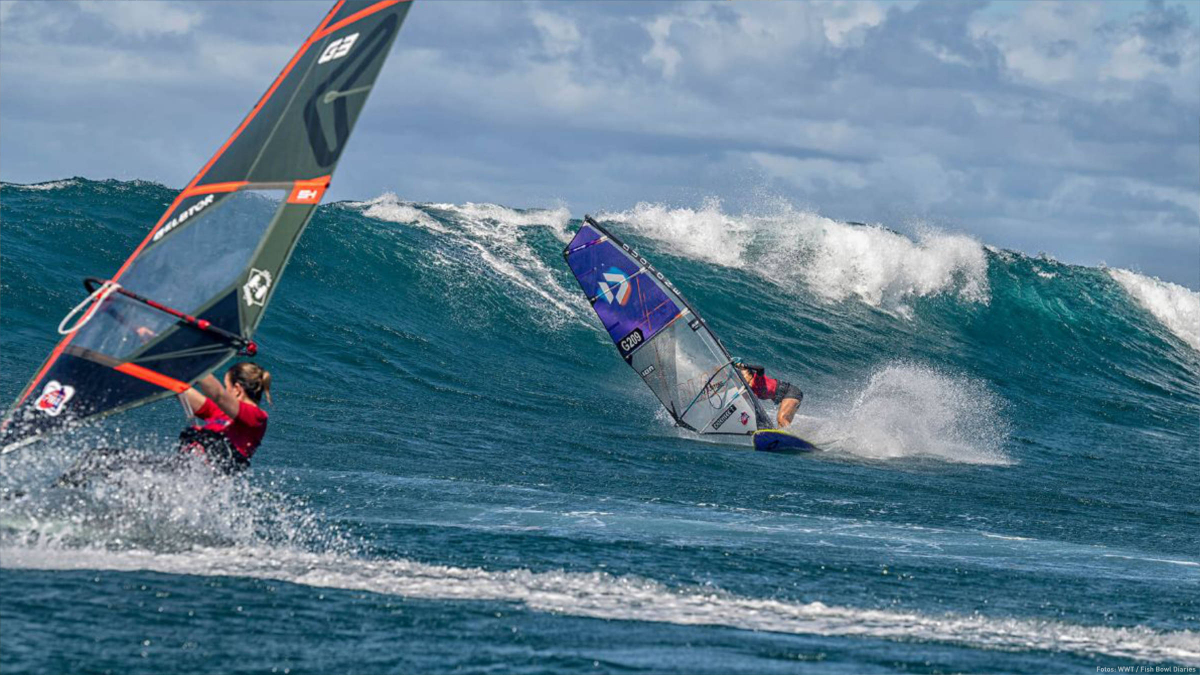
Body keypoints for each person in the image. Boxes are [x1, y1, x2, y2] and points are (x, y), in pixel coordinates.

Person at [177, 362, 271, 474]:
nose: (226, 391)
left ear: (237, 389)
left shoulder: (256, 417)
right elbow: (181, 389)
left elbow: (218, 395)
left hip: (208, 483)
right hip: (184, 473)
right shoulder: (221, 413)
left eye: (227, 387)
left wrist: (192, 360)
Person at [734, 359, 803, 428]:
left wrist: (744, 366)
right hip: (786, 397)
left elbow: (760, 368)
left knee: (781, 418)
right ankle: (785, 437)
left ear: (750, 374)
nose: (742, 378)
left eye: (743, 375)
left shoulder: (756, 379)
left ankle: (791, 437)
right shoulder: (750, 391)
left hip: (791, 392)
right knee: (781, 425)